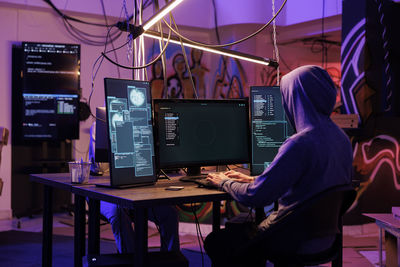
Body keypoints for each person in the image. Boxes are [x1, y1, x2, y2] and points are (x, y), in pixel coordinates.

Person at [204, 65, 354, 266]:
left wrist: (224, 182)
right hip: (327, 239)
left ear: (296, 99)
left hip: (293, 240)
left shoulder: (300, 143)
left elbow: (255, 196)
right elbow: (312, 182)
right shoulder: (341, 139)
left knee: (218, 241)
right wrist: (253, 179)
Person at [88, 121, 180, 253]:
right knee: (117, 212)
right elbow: (100, 168)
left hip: (137, 190)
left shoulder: (145, 121)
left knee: (169, 213)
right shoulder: (100, 124)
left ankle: (169, 260)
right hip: (103, 191)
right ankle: (131, 260)